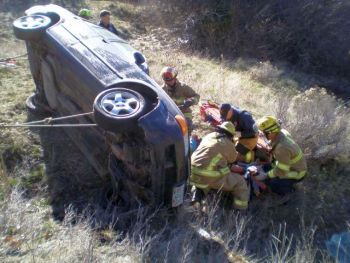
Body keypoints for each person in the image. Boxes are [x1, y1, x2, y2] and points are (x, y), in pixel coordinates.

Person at [190, 122, 249, 210]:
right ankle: (240, 211)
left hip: (192, 172)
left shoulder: (209, 136)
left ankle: (197, 195)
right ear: (231, 135)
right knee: (240, 182)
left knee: (206, 174)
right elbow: (232, 160)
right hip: (209, 176)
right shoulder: (228, 143)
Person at [256, 116, 307, 195]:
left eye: (263, 133)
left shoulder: (282, 148)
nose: (261, 135)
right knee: (266, 168)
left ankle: (288, 194)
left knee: (274, 184)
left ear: (270, 132)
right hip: (289, 165)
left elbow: (282, 170)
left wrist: (266, 175)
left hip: (297, 172)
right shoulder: (282, 133)